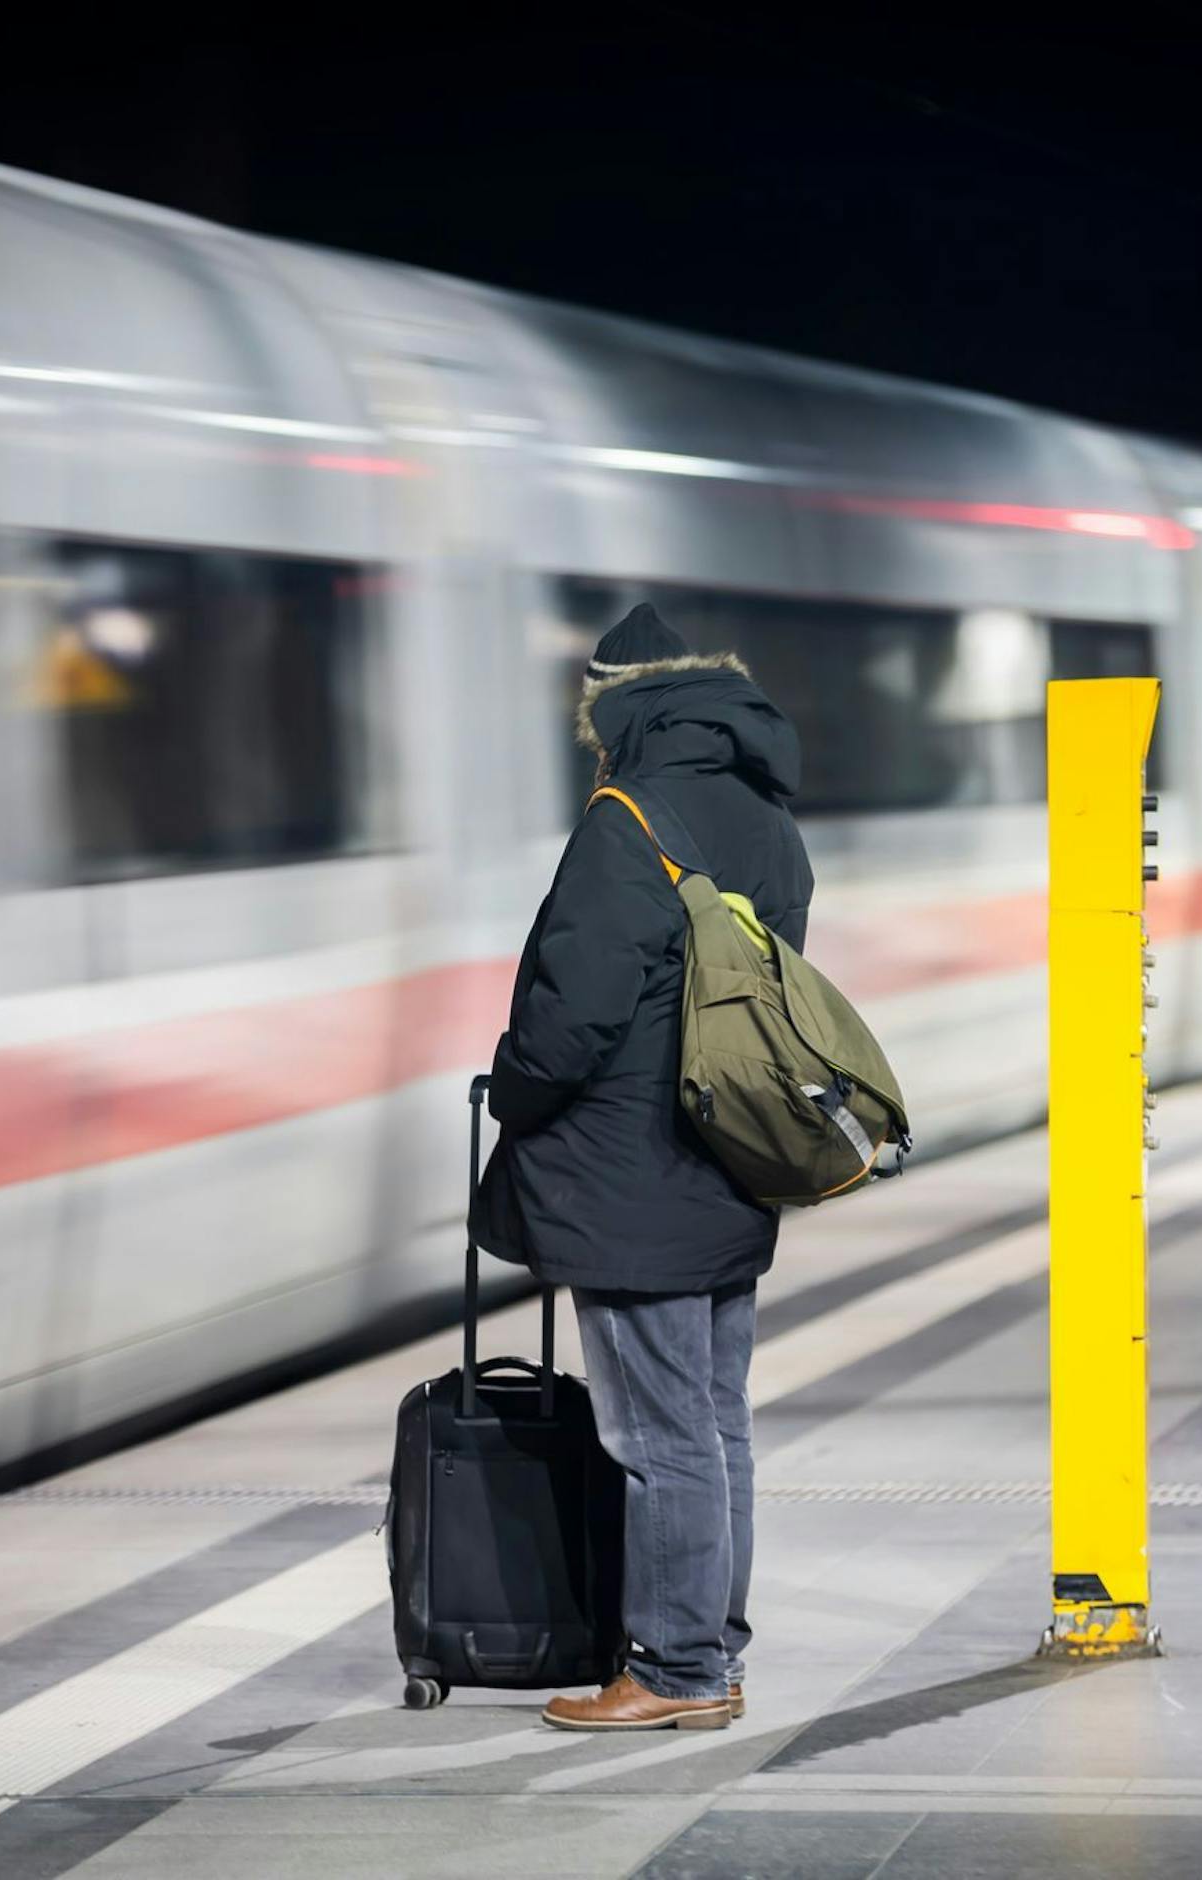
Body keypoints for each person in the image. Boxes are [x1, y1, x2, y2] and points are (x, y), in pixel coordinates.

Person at [473, 601, 814, 1732]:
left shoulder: (627, 817)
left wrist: (510, 1090)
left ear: (613, 704)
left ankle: (672, 1671)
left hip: (628, 1175)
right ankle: (709, 1647)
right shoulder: (769, 815)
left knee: (658, 1432)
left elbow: (570, 1018)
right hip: (727, 1153)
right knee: (715, 1420)